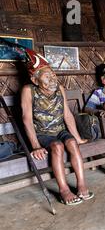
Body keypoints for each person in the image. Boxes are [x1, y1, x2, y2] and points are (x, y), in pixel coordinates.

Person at [21, 48, 93, 205]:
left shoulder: (59, 89)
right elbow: (26, 119)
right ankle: (64, 190)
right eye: (47, 75)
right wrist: (35, 146)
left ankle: (81, 184)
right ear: (35, 80)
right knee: (57, 146)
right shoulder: (29, 91)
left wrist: (78, 138)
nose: (53, 77)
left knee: (72, 143)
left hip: (60, 130)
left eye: (53, 73)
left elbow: (67, 114)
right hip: (42, 134)